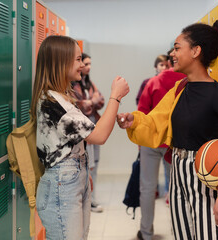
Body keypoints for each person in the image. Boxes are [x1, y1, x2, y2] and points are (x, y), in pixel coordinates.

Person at [117, 20, 218, 240]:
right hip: (178, 175)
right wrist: (134, 121)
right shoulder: (180, 88)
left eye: (177, 48)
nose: (172, 53)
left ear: (196, 51)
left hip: (206, 179)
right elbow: (157, 122)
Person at [32, 35, 129, 240]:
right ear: (61, 62)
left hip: (71, 180)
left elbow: (76, 142)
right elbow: (99, 135)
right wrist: (116, 96)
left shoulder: (62, 97)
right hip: (61, 185)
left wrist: (84, 175)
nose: (82, 65)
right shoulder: (52, 103)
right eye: (77, 60)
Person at [136, 53, 186, 240]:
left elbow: (142, 113)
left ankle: (146, 233)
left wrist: (141, 142)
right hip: (175, 143)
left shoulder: (153, 82)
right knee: (177, 189)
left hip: (150, 142)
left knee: (147, 188)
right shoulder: (186, 82)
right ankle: (178, 231)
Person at [71, 53, 105, 213]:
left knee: (94, 165)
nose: (87, 66)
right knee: (87, 166)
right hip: (82, 133)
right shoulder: (73, 85)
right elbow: (80, 105)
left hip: (93, 127)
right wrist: (92, 101)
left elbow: (101, 100)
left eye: (89, 63)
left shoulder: (89, 83)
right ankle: (87, 199)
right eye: (84, 63)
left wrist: (91, 102)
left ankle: (92, 198)